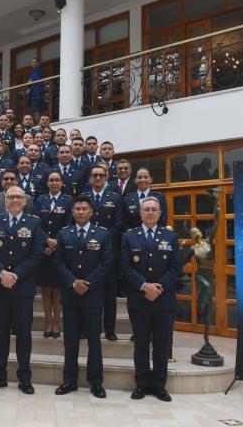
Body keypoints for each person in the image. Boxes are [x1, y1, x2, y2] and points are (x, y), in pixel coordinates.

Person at [0, 186, 46, 394]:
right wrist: (2, 273)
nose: (15, 200)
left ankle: (24, 377)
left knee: (23, 334)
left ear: (26, 201)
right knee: (0, 333)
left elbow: (37, 254)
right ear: (5, 200)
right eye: (11, 197)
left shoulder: (35, 223)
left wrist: (16, 274)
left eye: (19, 197)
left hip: (23, 287)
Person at [121, 197, 182, 402]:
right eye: (146, 209)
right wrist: (144, 286)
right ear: (140, 213)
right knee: (141, 343)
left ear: (159, 213)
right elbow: (125, 267)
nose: (149, 212)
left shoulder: (171, 236)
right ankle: (141, 383)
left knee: (161, 344)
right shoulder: (129, 237)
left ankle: (159, 385)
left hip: (163, 300)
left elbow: (176, 269)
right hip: (139, 299)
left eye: (153, 209)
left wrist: (159, 287)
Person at [54, 196, 112, 398]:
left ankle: (95, 382)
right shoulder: (64, 234)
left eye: (84, 208)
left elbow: (106, 264)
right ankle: (69, 381)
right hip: (70, 295)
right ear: (72, 212)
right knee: (70, 341)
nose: (80, 211)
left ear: (91, 212)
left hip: (93, 295)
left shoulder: (103, 234)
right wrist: (73, 282)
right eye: (77, 208)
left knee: (94, 341)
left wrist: (87, 283)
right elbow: (59, 263)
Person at [83, 164, 123, 341]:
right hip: (87, 253)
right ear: (90, 178)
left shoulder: (115, 197)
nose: (98, 178)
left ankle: (109, 329)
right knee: (88, 290)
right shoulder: (84, 198)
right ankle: (88, 327)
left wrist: (102, 240)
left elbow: (118, 224)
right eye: (95, 175)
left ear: (107, 177)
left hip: (108, 253)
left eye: (101, 175)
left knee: (109, 294)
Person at [34, 171, 72, 338]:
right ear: (47, 183)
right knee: (45, 289)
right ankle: (47, 321)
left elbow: (70, 224)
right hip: (44, 250)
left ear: (62, 183)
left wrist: (55, 243)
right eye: (51, 180)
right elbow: (36, 223)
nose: (54, 183)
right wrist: (46, 241)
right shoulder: (40, 200)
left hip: (60, 249)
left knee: (57, 289)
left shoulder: (68, 200)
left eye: (57, 180)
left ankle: (57, 322)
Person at [27, 58, 45, 124]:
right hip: (34, 91)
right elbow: (29, 81)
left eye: (35, 62)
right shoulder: (34, 71)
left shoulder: (39, 69)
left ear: (38, 63)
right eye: (32, 62)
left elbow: (34, 79)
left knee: (37, 107)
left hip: (37, 90)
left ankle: (37, 121)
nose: (33, 64)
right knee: (34, 108)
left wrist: (30, 81)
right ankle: (36, 121)